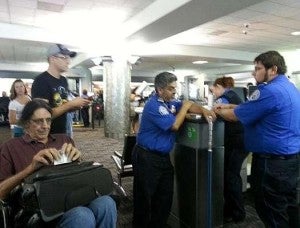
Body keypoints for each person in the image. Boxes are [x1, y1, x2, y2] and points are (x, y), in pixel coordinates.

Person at [213, 50, 300, 228]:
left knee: (271, 210)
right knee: (289, 207)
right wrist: (230, 104)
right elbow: (260, 109)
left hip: (271, 164)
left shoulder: (268, 91)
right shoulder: (289, 87)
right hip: (290, 161)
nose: (254, 72)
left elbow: (234, 116)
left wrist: (216, 110)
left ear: (273, 69)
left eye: (258, 68)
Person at [0, 99, 117, 228]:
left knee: (106, 203)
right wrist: (31, 168)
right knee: (82, 215)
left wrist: (79, 161)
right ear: (27, 123)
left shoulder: (64, 140)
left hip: (70, 198)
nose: (45, 126)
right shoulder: (11, 147)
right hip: (39, 213)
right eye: (39, 121)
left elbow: (78, 176)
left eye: (48, 120)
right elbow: (1, 192)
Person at [132, 72, 216, 228]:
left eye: (175, 88)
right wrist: (184, 107)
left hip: (163, 158)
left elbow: (189, 104)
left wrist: (203, 110)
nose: (174, 92)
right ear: (159, 89)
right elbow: (174, 125)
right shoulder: (154, 105)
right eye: (171, 89)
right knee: (145, 199)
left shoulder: (169, 102)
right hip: (146, 157)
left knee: (164, 197)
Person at [210, 76, 249, 223]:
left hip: (235, 142)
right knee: (231, 175)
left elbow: (217, 114)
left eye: (213, 89)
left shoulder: (224, 98)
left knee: (230, 177)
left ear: (219, 86)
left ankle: (237, 213)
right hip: (241, 141)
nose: (213, 92)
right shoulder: (235, 95)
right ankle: (231, 210)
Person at [31, 44, 90, 134]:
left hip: (62, 132)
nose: (68, 61)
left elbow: (60, 106)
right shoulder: (41, 81)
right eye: (64, 57)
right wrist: (70, 104)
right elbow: (42, 116)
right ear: (52, 59)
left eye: (69, 58)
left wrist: (75, 106)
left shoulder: (63, 80)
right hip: (46, 135)